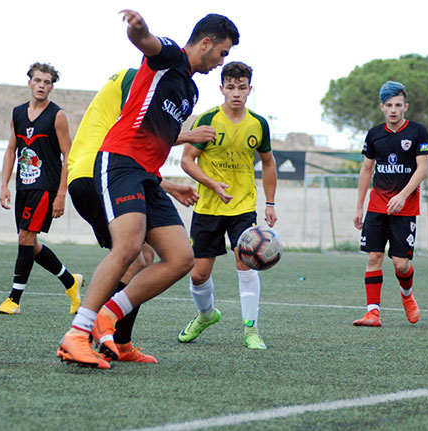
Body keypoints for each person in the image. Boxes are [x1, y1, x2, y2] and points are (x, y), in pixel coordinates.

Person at [57, 9, 239, 369]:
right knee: (129, 246)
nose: (222, 61)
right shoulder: (170, 56)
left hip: (147, 174)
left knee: (181, 258)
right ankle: (77, 334)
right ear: (206, 42)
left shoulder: (189, 89)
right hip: (119, 161)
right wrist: (138, 30)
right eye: (223, 52)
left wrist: (174, 172)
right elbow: (148, 43)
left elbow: (161, 133)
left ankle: (109, 317)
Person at [65, 67, 212, 363]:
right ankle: (81, 333)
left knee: (145, 257)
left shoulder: (134, 83)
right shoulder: (143, 79)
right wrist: (190, 136)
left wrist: (167, 186)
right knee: (132, 253)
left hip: (105, 171)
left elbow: (140, 146)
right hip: (99, 171)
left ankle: (118, 341)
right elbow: (136, 137)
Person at [177, 61, 277, 350]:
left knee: (245, 265)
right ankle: (206, 315)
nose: (236, 92)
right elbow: (186, 160)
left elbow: (269, 162)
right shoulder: (207, 120)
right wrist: (212, 185)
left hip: (242, 207)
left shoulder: (258, 124)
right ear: (221, 88)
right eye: (230, 87)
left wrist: (270, 202)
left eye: (242, 87)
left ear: (249, 90)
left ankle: (251, 330)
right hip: (207, 207)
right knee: (198, 275)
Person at [0, 62, 82, 315]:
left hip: (46, 186)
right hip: (24, 186)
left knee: (25, 238)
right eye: (38, 80)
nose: (42, 85)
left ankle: (14, 300)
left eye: (47, 82)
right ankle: (71, 282)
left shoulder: (58, 115)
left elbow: (69, 155)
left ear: (52, 86)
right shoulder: (17, 113)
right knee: (29, 244)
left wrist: (61, 194)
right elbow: (12, 149)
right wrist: (4, 185)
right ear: (29, 82)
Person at [352, 81, 428, 327]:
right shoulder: (374, 134)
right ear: (382, 107)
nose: (393, 109)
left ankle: (407, 296)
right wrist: (359, 206)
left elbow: (422, 169)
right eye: (389, 105)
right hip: (376, 206)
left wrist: (403, 195)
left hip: (405, 208)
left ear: (405, 107)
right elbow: (367, 170)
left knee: (401, 264)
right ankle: (372, 313)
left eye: (398, 105)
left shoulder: (418, 132)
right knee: (373, 257)